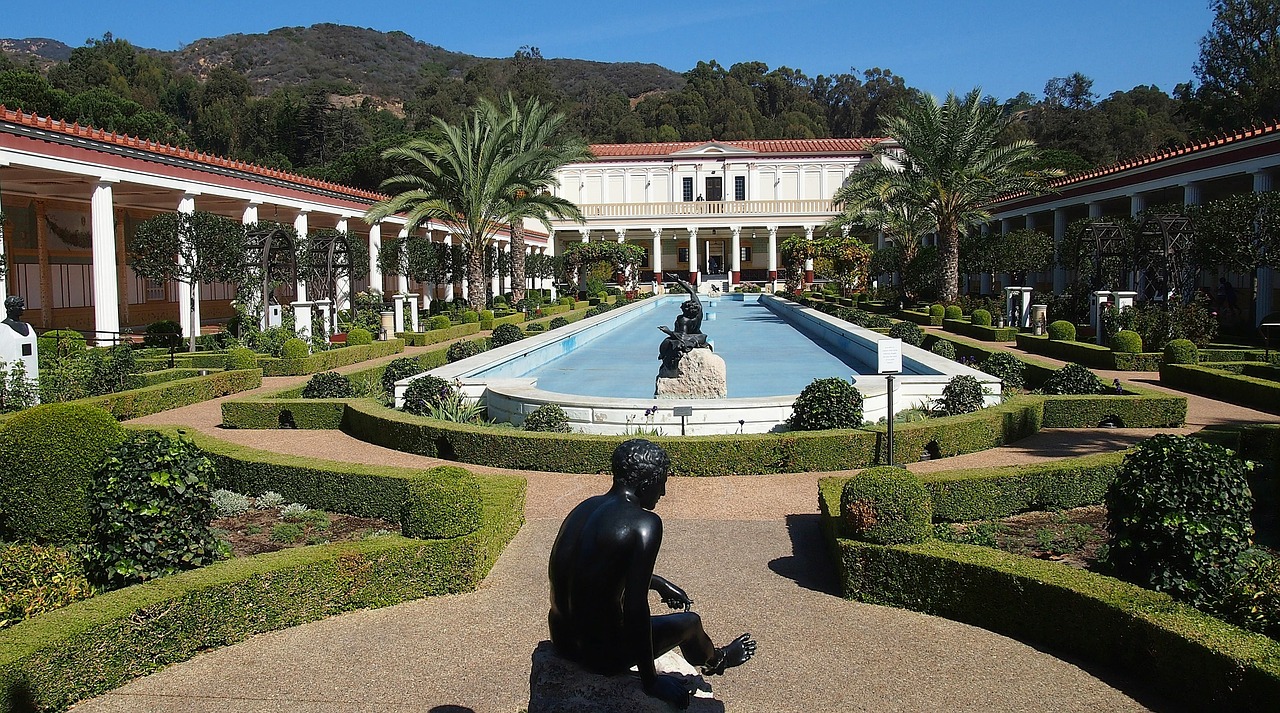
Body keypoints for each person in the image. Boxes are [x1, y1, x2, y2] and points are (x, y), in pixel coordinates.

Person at [548, 439, 756, 708]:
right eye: (662, 482)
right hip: (601, 656)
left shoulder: (583, 508)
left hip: (563, 640)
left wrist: (656, 583)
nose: (664, 492)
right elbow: (635, 611)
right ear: (647, 482)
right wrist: (651, 680)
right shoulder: (645, 524)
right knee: (690, 623)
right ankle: (717, 660)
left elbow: (590, 573)